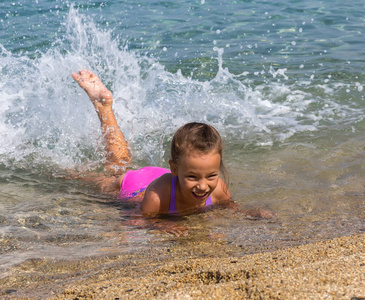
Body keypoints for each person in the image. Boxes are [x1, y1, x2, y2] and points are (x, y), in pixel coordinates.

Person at [72, 69, 272, 219]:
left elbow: (233, 210)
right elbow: (138, 221)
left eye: (211, 175)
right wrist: (166, 225)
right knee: (106, 175)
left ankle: (104, 107)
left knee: (120, 161)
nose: (203, 186)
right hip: (137, 185)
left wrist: (253, 214)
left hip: (162, 177)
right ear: (174, 168)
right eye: (193, 177)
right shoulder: (156, 198)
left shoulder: (219, 188)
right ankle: (100, 112)